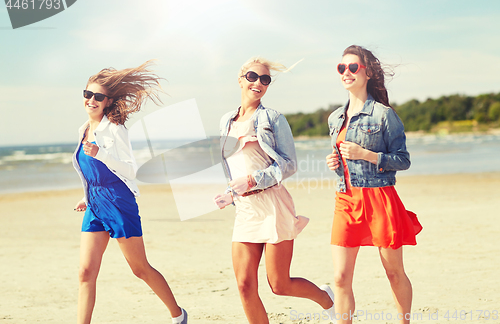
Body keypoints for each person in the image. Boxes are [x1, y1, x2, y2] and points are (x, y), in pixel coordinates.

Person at [213, 57, 335, 324]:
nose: (258, 83)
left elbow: (289, 165)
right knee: (245, 285)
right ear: (240, 79)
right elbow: (233, 164)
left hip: (272, 206)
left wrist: (253, 181)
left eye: (265, 79)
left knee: (279, 284)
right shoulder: (226, 121)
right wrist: (230, 193)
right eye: (253, 77)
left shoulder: (272, 118)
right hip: (245, 210)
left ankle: (326, 299)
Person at [72, 61, 187, 324]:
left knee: (140, 268)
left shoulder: (115, 129)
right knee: (85, 272)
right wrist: (86, 196)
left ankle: (178, 315)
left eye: (98, 96)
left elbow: (130, 170)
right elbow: (91, 172)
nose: (91, 100)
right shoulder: (83, 130)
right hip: (95, 204)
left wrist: (100, 154)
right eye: (88, 94)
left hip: (118, 203)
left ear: (107, 101)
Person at [326, 45, 423, 324]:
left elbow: (402, 160)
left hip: (380, 199)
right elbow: (344, 158)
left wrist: (365, 154)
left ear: (367, 72)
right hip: (346, 200)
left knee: (393, 272)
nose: (346, 72)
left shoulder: (383, 115)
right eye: (341, 67)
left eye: (353, 67)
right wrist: (336, 162)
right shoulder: (335, 118)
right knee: (340, 276)